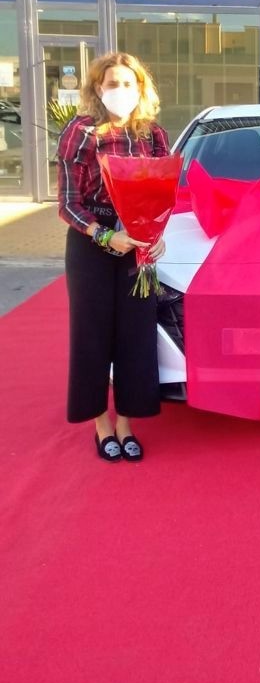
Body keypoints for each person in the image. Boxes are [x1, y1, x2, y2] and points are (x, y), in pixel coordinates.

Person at [57, 52, 170, 462]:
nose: (120, 91)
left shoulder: (152, 135)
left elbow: (162, 194)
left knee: (136, 337)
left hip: (137, 244)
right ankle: (100, 424)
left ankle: (126, 422)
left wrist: (157, 236)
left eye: (127, 83)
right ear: (97, 89)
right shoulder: (81, 131)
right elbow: (67, 204)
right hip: (92, 244)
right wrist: (107, 236)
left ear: (141, 88)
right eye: (111, 84)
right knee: (92, 336)